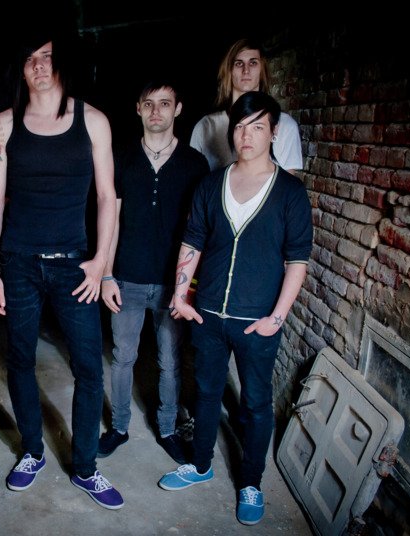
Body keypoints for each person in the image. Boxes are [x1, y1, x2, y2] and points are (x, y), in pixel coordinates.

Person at [0, 34, 123, 509]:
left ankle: (85, 468)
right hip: (18, 263)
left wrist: (101, 263)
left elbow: (107, 198)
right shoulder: (3, 125)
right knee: (20, 360)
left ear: (60, 64)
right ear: (20, 70)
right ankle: (32, 452)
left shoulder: (93, 121)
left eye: (46, 57)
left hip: (74, 266)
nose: (39, 66)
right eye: (29, 59)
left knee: (89, 367)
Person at [158, 91, 312, 526]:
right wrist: (181, 296)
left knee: (256, 404)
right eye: (241, 126)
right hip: (208, 314)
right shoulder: (211, 184)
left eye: (257, 126)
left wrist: (276, 319)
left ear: (274, 133)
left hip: (256, 321)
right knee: (206, 393)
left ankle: (251, 482)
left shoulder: (290, 193)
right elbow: (192, 241)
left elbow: (297, 261)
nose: (247, 135)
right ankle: (200, 464)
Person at [98, 79, 208, 464]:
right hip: (126, 277)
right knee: (122, 357)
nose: (156, 111)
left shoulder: (194, 163)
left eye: (164, 103)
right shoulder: (122, 157)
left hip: (171, 283)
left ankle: (167, 428)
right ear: (138, 109)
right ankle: (119, 427)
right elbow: (110, 221)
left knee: (170, 361)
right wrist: (106, 275)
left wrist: (188, 286)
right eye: (149, 104)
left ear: (178, 109)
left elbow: (198, 230)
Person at [190, 38, 303, 174]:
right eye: (239, 63)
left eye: (253, 63)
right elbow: (195, 180)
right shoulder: (205, 126)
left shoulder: (285, 125)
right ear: (229, 70)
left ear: (262, 69)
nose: (246, 70)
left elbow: (288, 184)